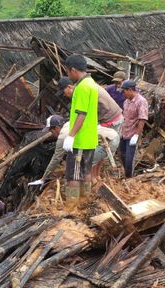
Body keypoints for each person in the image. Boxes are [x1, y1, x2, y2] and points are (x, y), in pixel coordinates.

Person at [28, 115, 119, 186]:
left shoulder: (62, 137)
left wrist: (43, 179)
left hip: (107, 142)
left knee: (81, 168)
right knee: (92, 159)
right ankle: (96, 179)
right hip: (113, 136)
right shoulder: (70, 123)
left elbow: (56, 159)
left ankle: (88, 192)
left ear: (56, 128)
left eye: (51, 131)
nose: (52, 134)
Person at [62, 55, 98, 207]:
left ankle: (72, 205)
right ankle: (86, 200)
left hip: (80, 140)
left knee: (74, 176)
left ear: (73, 70)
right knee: (86, 171)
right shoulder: (91, 83)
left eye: (68, 72)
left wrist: (71, 136)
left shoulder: (82, 88)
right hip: (90, 138)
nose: (68, 76)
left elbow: (81, 114)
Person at [119, 80, 148, 178]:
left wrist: (136, 135)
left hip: (133, 134)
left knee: (129, 159)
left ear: (130, 90)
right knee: (122, 155)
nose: (123, 94)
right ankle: (127, 175)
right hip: (124, 133)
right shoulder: (126, 102)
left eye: (124, 91)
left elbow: (142, 119)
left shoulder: (141, 101)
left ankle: (129, 178)